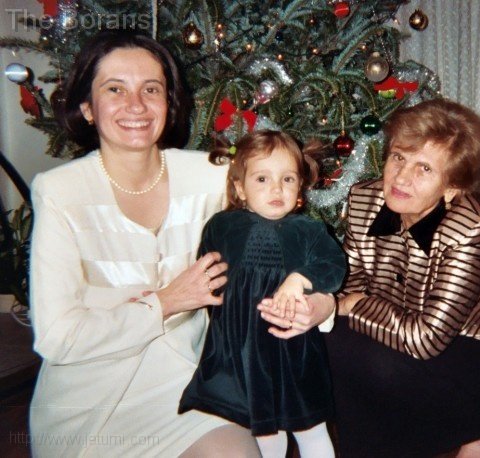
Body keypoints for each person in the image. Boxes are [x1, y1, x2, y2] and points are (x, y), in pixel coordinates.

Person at [28, 30, 334, 458]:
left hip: (190, 387)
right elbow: (56, 338)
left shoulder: (213, 176)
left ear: (168, 103)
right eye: (115, 89)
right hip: (88, 401)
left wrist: (321, 304)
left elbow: (292, 240)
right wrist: (166, 302)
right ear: (87, 108)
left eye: (151, 89)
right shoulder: (59, 191)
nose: (136, 105)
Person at [323, 98, 480, 457]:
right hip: (402, 327)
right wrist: (344, 303)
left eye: (424, 168)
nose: (401, 177)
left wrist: (355, 305)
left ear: (452, 187)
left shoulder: (473, 229)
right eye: (398, 157)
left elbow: (427, 339)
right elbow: (352, 283)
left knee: (374, 362)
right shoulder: (364, 200)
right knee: (339, 345)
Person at [178, 130, 347, 458]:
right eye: (262, 179)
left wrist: (300, 279)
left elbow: (333, 266)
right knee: (264, 432)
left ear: (300, 186)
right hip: (242, 351)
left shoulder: (309, 230)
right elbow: (207, 272)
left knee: (311, 429)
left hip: (293, 348)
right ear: (240, 188)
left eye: (287, 179)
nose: (276, 189)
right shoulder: (222, 226)